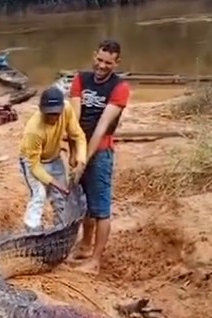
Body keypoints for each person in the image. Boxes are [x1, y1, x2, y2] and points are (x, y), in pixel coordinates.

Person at [69, 39, 131, 274]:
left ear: (117, 62)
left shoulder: (120, 88)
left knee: (101, 207)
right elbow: (74, 118)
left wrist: (85, 159)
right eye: (100, 60)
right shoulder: (80, 79)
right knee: (83, 203)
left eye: (108, 62)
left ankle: (95, 261)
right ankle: (85, 246)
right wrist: (75, 152)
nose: (102, 66)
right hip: (80, 147)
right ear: (94, 55)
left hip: (101, 150)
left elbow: (103, 126)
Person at [18, 86, 87, 231]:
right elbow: (35, 166)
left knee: (61, 197)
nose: (53, 118)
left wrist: (81, 160)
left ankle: (61, 228)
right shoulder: (34, 130)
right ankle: (33, 229)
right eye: (49, 114)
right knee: (39, 194)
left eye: (56, 114)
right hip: (33, 161)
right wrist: (54, 182)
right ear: (42, 110)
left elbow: (78, 136)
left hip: (54, 157)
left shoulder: (67, 110)